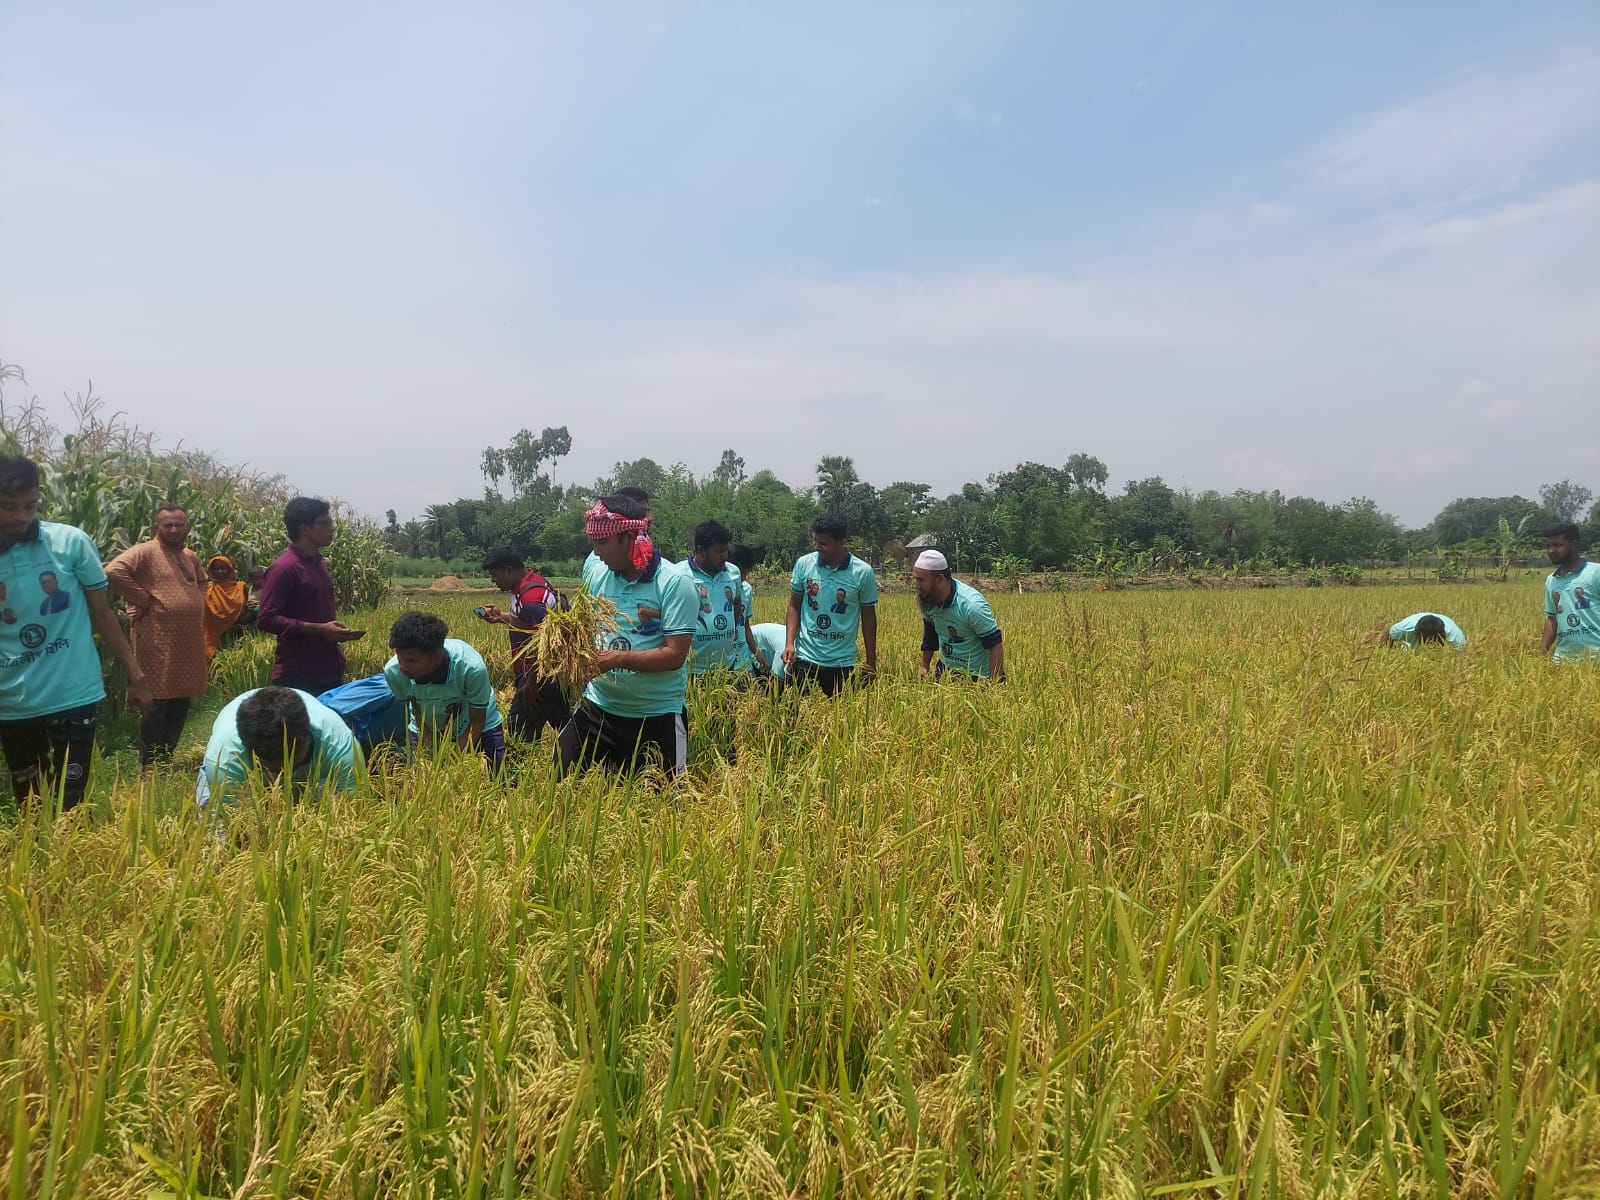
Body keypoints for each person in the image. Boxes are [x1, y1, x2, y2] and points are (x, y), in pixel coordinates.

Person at [0, 455, 152, 811]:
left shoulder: (70, 542)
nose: (21, 516)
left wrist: (136, 673)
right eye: (8, 507)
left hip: (72, 690)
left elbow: (102, 612)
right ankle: (36, 864)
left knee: (72, 802)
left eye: (30, 505)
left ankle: (74, 862)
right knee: (29, 801)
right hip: (10, 699)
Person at [556, 496, 697, 779]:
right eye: (594, 543)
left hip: (656, 715)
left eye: (603, 543)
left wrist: (617, 659)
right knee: (556, 784)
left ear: (629, 537)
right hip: (599, 707)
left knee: (663, 811)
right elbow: (586, 626)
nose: (596, 553)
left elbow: (674, 656)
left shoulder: (674, 583)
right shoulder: (597, 574)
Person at [105, 504, 210, 764]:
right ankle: (150, 764)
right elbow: (113, 571)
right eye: (167, 525)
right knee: (157, 700)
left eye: (179, 525)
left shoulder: (190, 556)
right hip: (157, 639)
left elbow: (203, 581)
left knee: (180, 699)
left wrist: (197, 598)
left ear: (187, 527)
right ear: (158, 527)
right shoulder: (145, 552)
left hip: (187, 643)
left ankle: (166, 758)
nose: (174, 529)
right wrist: (141, 598)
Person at [255, 497, 364, 695]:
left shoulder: (318, 563)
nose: (332, 528)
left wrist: (332, 633)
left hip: (328, 668)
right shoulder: (284, 568)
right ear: (305, 528)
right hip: (298, 674)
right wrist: (319, 629)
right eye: (325, 523)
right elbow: (266, 618)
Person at [196, 686, 361, 808]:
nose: (285, 774)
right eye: (276, 770)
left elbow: (353, 806)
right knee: (213, 821)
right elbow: (230, 825)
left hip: (314, 776)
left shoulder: (340, 746)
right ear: (252, 753)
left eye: (294, 764)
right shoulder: (225, 760)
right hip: (242, 774)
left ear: (306, 737)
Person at [383, 610, 506, 771]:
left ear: (436, 656)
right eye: (400, 658)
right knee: (419, 776)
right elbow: (416, 709)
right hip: (428, 722)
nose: (403, 667)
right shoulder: (394, 672)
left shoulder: (471, 667)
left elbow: (477, 722)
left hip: (475, 720)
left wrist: (452, 761)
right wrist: (433, 755)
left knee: (498, 774)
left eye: (412, 660)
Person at [479, 546, 570, 739]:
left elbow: (544, 643)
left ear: (509, 570)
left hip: (537, 677)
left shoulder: (529, 600)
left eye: (495, 575)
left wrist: (532, 684)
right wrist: (501, 616)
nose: (492, 580)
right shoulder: (533, 582)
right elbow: (529, 623)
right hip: (553, 674)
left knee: (518, 733)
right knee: (567, 726)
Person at [783, 513, 878, 695]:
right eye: (816, 542)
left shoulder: (862, 572)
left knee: (840, 718)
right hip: (806, 657)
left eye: (824, 544)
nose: (818, 547)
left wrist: (870, 661)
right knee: (799, 716)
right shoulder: (804, 564)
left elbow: (868, 617)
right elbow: (794, 605)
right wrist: (789, 643)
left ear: (842, 542)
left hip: (842, 662)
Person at [910, 550, 1005, 681]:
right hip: (946, 670)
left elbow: (995, 645)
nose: (917, 585)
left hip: (977, 676)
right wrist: (924, 666)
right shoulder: (928, 600)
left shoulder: (971, 605)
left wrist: (996, 686)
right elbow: (930, 634)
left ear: (940, 579)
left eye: (921, 580)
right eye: (916, 579)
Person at [686, 520, 762, 677]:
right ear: (700, 550)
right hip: (692, 669)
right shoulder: (679, 575)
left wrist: (726, 629)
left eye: (725, 551)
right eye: (718, 552)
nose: (724, 556)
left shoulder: (733, 572)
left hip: (727, 666)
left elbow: (737, 603)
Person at [1542, 522, 1600, 662]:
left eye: (1557, 545)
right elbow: (1552, 620)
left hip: (1596, 659)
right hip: (1562, 661)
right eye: (1548, 546)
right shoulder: (1552, 580)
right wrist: (1540, 656)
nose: (1551, 551)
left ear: (1574, 544)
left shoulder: (1595, 572)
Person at [582, 486, 650, 577]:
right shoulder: (598, 575)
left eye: (602, 543)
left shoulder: (669, 580)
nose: (648, 518)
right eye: (643, 512)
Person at [726, 543, 769, 675]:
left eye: (746, 573)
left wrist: (757, 652)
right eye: (741, 573)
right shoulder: (720, 590)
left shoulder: (746, 590)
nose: (744, 577)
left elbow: (745, 626)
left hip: (743, 661)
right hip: (723, 660)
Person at [202, 555, 252, 659]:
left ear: (229, 569)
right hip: (216, 634)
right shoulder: (208, 590)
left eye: (223, 568)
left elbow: (248, 606)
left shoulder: (241, 587)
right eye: (216, 569)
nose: (220, 571)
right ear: (211, 571)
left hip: (237, 632)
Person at [1383, 612, 1466, 649]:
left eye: (1434, 642)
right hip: (1410, 648)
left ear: (1442, 637)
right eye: (1426, 642)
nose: (1430, 646)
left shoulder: (1456, 640)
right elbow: (1388, 635)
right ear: (1417, 635)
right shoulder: (1404, 629)